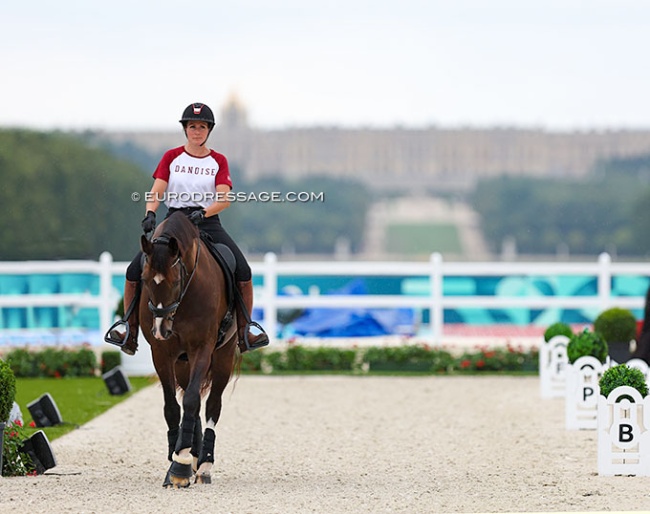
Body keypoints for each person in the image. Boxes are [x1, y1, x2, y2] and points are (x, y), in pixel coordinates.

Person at [108, 102, 268, 355]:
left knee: (242, 269)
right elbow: (157, 191)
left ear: (208, 130)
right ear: (186, 129)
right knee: (134, 269)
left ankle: (246, 329)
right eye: (192, 126)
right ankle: (129, 328)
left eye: (202, 127)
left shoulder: (218, 161)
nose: (197, 131)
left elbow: (224, 199)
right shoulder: (171, 157)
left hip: (207, 220)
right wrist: (150, 212)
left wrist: (203, 212)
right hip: (174, 220)